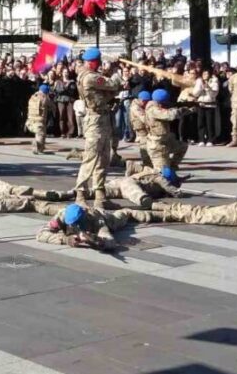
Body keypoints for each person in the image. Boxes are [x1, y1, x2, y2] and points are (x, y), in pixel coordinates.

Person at [73, 48, 122, 208]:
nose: (100, 65)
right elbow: (113, 84)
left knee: (103, 158)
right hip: (95, 120)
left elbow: (106, 92)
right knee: (91, 158)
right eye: (98, 62)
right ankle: (80, 194)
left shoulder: (86, 73)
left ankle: (100, 195)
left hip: (102, 117)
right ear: (93, 62)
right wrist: (116, 70)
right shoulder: (90, 77)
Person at [34, 203, 157, 252]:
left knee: (125, 214)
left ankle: (162, 214)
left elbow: (110, 240)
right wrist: (65, 239)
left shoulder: (95, 220)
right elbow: (41, 234)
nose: (72, 226)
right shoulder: (62, 215)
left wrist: (96, 241)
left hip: (107, 218)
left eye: (76, 223)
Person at [145, 89, 192, 172]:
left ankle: (172, 167)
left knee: (183, 146)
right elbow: (170, 115)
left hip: (166, 141)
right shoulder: (153, 109)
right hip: (157, 145)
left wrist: (188, 110)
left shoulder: (158, 107)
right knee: (161, 173)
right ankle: (135, 169)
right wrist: (180, 110)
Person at [25, 84, 57, 154]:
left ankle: (40, 147)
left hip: (30, 119)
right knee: (41, 134)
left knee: (39, 133)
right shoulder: (45, 98)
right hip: (40, 120)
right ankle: (38, 146)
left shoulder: (32, 97)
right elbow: (52, 106)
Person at [192, 69, 219, 146]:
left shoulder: (214, 80)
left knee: (209, 123)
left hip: (210, 104)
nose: (205, 75)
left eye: (207, 74)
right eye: (204, 74)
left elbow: (214, 94)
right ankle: (201, 139)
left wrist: (208, 88)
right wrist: (200, 88)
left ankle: (210, 139)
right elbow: (195, 93)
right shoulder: (199, 81)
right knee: (200, 123)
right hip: (201, 104)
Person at [128, 90, 152, 170]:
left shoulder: (139, 105)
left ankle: (146, 166)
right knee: (144, 149)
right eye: (145, 102)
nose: (146, 103)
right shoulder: (136, 108)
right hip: (141, 131)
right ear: (141, 100)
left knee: (149, 149)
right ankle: (138, 167)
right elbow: (143, 118)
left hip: (145, 130)